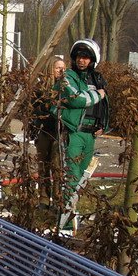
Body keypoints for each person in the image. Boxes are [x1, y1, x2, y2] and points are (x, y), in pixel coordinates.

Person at [51, 38, 109, 230]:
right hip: (73, 133)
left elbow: (104, 105)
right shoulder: (68, 76)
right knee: (72, 176)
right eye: (78, 57)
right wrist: (98, 95)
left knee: (81, 178)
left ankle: (68, 214)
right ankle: (65, 224)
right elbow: (77, 99)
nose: (81, 60)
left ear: (92, 59)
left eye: (85, 57)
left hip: (90, 134)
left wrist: (103, 124)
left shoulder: (97, 79)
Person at [28, 55, 66, 209]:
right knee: (43, 166)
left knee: (58, 167)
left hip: (60, 133)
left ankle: (58, 201)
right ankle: (44, 199)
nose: (61, 71)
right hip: (44, 131)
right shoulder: (41, 89)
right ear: (51, 69)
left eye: (63, 68)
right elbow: (33, 109)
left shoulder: (65, 88)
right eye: (58, 68)